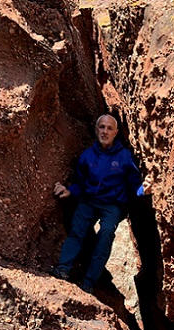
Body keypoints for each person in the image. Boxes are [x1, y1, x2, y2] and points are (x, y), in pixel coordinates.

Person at [51, 114, 151, 293]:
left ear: (116, 133)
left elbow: (134, 185)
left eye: (109, 128)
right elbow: (80, 183)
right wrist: (69, 191)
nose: (105, 131)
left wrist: (143, 190)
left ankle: (89, 283)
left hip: (112, 205)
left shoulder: (124, 157)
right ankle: (62, 269)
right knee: (77, 230)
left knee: (105, 235)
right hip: (89, 201)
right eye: (102, 127)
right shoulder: (87, 156)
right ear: (96, 130)